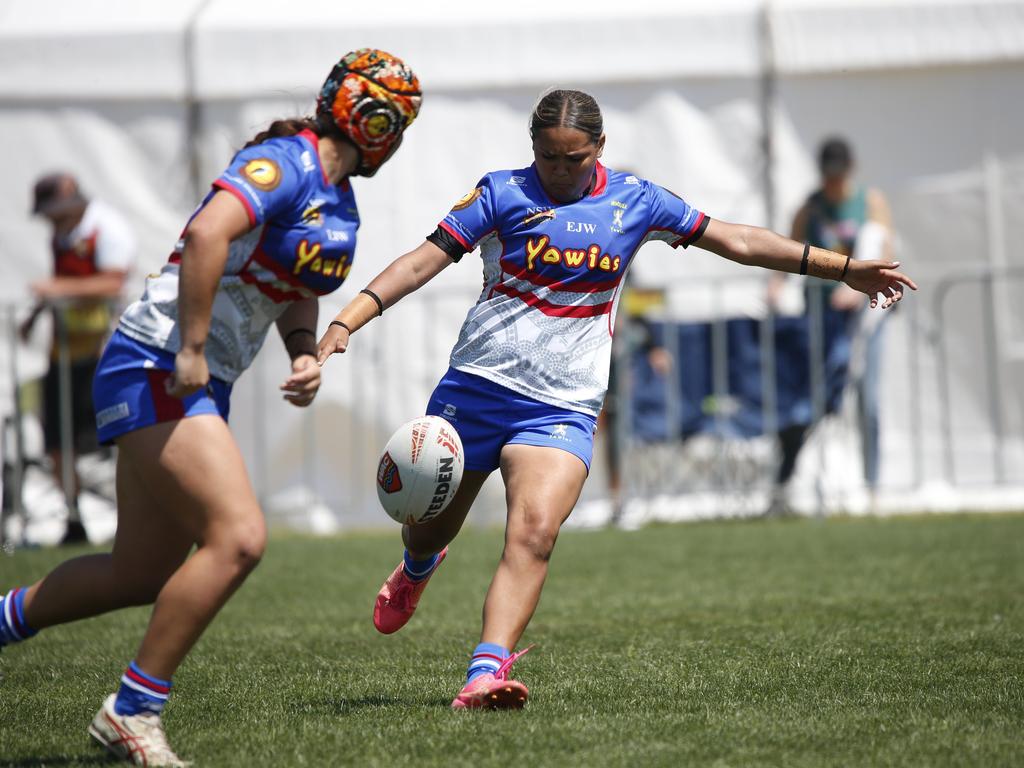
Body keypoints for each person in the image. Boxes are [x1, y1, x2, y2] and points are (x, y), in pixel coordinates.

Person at [316, 89, 915, 710]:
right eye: (547, 157)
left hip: (563, 404)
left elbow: (736, 239)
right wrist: (347, 321)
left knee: (534, 532)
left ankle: (484, 673)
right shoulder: (500, 193)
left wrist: (842, 268)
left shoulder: (636, 200)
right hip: (477, 389)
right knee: (429, 526)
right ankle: (417, 565)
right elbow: (420, 263)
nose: (559, 169)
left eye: (573, 158)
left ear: (599, 147)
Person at [0, 49, 421, 766]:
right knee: (240, 537)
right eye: (397, 121)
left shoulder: (336, 193)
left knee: (138, 572)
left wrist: (300, 349)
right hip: (161, 358)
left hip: (188, 371)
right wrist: (192, 345)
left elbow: (295, 282)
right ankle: (132, 711)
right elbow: (205, 235)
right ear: (369, 114)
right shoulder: (288, 161)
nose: (398, 138)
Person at [766, 137, 894, 515]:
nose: (834, 183)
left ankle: (873, 487)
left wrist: (857, 288)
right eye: (828, 176)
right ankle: (792, 485)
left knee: (868, 401)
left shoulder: (871, 201)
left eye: (839, 176)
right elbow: (787, 251)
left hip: (865, 317)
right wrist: (776, 283)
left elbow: (883, 252)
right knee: (813, 402)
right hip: (820, 318)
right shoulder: (809, 208)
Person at [21, 173, 136, 542]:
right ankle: (74, 518)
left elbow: (113, 283)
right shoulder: (63, 235)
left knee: (108, 440)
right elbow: (58, 285)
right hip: (64, 349)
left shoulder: (106, 228)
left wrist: (56, 289)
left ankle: (128, 516)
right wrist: (35, 316)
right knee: (57, 438)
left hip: (104, 350)